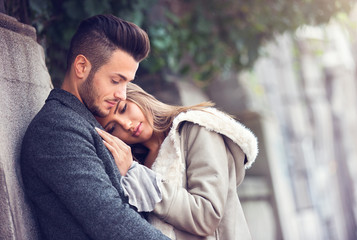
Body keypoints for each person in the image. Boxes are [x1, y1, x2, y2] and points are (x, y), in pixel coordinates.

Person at [20, 15, 170, 240]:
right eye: (116, 80)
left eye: (127, 83)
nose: (122, 95)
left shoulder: (80, 122)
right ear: (82, 67)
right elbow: (112, 222)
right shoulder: (57, 129)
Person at [95, 83, 258, 240]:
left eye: (123, 109)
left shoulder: (196, 129)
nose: (127, 124)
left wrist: (137, 175)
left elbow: (207, 215)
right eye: (112, 128)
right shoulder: (135, 164)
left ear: (137, 97)